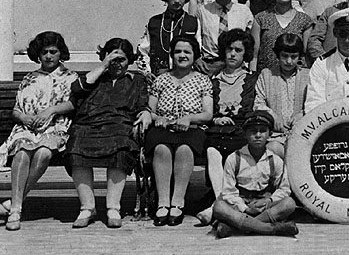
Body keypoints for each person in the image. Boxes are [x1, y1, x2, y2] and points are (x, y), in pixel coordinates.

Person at [66, 38, 150, 229]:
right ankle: (87, 207)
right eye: (113, 59)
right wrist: (103, 65)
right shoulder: (95, 78)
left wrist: (146, 112)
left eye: (122, 59)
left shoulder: (136, 80)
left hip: (119, 125)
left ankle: (113, 207)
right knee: (75, 147)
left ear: (129, 61)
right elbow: (77, 89)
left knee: (121, 146)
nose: (117, 64)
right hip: (89, 125)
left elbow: (143, 103)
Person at [0, 32, 77, 231]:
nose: (49, 56)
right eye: (44, 52)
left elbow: (73, 104)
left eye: (54, 51)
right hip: (27, 127)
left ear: (61, 53)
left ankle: (14, 202)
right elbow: (17, 110)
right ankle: (16, 209)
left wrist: (51, 110)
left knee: (43, 154)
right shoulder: (29, 78)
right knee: (23, 153)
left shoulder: (70, 77)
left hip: (55, 127)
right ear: (38, 54)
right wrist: (24, 118)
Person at [144, 36, 213, 226]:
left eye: (187, 52)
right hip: (163, 128)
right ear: (172, 55)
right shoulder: (161, 79)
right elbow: (150, 110)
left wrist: (189, 118)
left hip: (192, 128)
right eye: (177, 52)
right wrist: (160, 119)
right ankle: (163, 203)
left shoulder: (203, 80)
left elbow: (208, 114)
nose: (182, 55)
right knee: (161, 149)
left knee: (184, 149)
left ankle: (177, 202)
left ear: (195, 56)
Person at [196, 29, 258, 226]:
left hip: (241, 129)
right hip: (216, 129)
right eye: (229, 49)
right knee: (212, 149)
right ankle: (221, 201)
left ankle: (217, 206)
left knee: (238, 148)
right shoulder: (212, 80)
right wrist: (215, 119)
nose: (232, 54)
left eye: (238, 50)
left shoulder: (252, 79)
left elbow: (253, 109)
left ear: (245, 54)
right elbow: (204, 109)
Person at [212, 111, 298, 238]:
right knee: (219, 207)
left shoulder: (275, 160)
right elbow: (228, 192)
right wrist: (245, 208)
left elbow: (284, 189)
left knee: (289, 203)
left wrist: (268, 200)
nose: (258, 135)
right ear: (245, 134)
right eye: (253, 131)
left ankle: (237, 226)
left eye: (262, 131)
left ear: (270, 134)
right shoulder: (234, 158)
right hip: (241, 205)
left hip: (264, 206)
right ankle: (270, 228)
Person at [254, 33, 310, 159]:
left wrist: (301, 114)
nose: (289, 61)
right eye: (284, 56)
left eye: (293, 57)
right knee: (272, 149)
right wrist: (273, 116)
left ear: (299, 56)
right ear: (277, 55)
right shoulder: (267, 74)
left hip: (302, 135)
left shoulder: (308, 76)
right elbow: (258, 104)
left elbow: (314, 102)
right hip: (275, 136)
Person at [250, 0, 313, 73]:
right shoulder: (260, 19)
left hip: (294, 77)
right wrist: (252, 79)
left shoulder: (305, 21)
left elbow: (306, 56)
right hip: (265, 78)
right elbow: (254, 56)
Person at [195, 0, 253, 77]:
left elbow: (249, 43)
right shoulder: (203, 11)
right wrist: (197, 58)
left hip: (236, 68)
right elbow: (196, 39)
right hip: (209, 66)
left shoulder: (244, 11)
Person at [137, 0, 200, 79]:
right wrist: (147, 72)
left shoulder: (192, 22)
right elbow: (143, 50)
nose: (176, 0)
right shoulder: (154, 22)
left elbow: (197, 52)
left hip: (185, 78)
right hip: (157, 77)